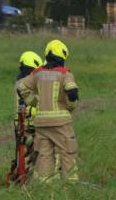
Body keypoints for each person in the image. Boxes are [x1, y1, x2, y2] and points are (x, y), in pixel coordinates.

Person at [18, 40, 80, 181]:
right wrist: (70, 107)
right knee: (67, 152)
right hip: (61, 123)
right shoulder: (65, 73)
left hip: (41, 123)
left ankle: (45, 186)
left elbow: (21, 87)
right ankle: (70, 185)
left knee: (44, 155)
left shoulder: (37, 73)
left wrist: (34, 103)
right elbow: (72, 92)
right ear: (62, 57)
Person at [11, 51, 43, 181]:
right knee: (33, 153)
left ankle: (18, 174)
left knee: (22, 152)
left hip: (20, 123)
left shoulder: (19, 81)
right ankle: (26, 178)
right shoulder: (27, 82)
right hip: (29, 123)